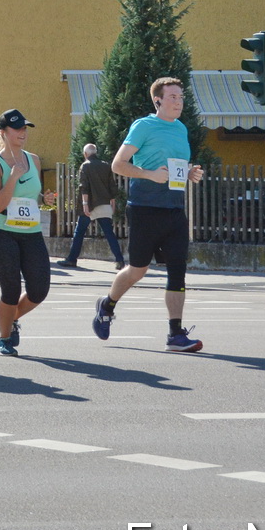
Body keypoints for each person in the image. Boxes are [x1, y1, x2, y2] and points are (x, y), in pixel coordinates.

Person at [92, 77, 206, 353]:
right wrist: (148, 174)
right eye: (173, 97)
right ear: (158, 101)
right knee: (138, 269)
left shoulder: (180, 129)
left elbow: (173, 166)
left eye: (181, 97)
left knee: (178, 270)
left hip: (175, 209)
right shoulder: (143, 126)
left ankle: (175, 334)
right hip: (144, 209)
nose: (179, 102)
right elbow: (119, 164)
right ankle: (107, 304)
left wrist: (188, 173)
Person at [0, 110, 53, 356]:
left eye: (25, 128)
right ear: (3, 133)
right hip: (2, 231)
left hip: (30, 231)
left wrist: (45, 198)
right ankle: (3, 338)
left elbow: (32, 194)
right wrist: (12, 178)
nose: (23, 133)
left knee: (39, 289)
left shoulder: (33, 159)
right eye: (17, 129)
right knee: (10, 290)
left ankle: (10, 319)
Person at [61, 143, 125, 268]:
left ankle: (72, 259)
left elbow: (83, 187)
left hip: (90, 206)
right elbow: (112, 185)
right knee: (109, 233)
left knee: (79, 232)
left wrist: (85, 204)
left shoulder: (85, 166)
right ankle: (120, 260)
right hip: (105, 204)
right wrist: (112, 202)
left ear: (85, 154)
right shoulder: (106, 165)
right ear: (95, 153)